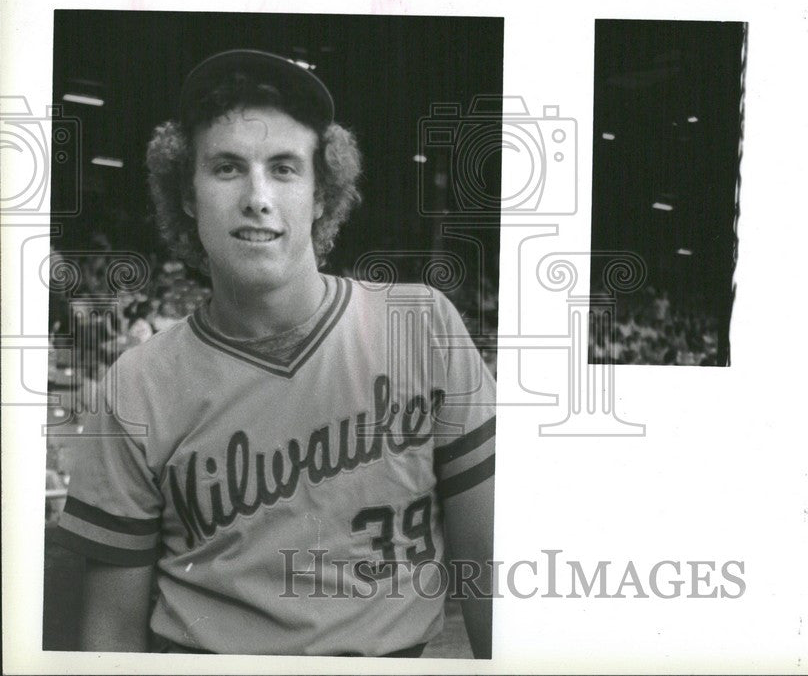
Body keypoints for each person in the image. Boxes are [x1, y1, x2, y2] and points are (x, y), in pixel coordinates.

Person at [55, 50, 496, 658]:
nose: (257, 197)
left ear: (322, 195)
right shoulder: (136, 385)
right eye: (228, 168)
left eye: (285, 169)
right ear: (187, 194)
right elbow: (109, 635)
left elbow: (491, 582)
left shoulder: (421, 326)